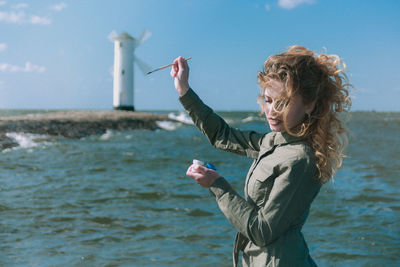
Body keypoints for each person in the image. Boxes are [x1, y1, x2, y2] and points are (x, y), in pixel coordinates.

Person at [170, 46, 351, 267]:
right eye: (268, 100)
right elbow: (222, 135)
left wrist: (217, 184)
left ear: (309, 105)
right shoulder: (273, 141)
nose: (272, 111)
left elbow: (262, 231)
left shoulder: (300, 160)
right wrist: (184, 90)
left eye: (283, 102)